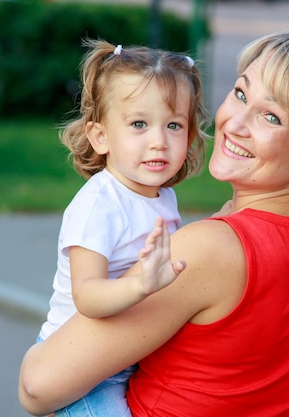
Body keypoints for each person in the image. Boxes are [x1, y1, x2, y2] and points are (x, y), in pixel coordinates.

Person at [19, 29, 289, 417]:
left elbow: (38, 387)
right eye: (241, 94)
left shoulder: (207, 250)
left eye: (270, 116)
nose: (234, 123)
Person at [35, 39, 208, 417]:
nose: (159, 141)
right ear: (101, 137)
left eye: (174, 125)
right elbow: (88, 297)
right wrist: (139, 285)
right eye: (139, 124)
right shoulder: (99, 205)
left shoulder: (161, 197)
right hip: (83, 370)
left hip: (124, 358)